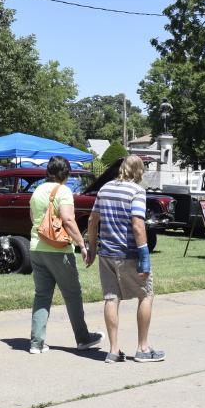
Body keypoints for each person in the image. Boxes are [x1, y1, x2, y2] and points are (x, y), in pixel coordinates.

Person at [85, 155, 163, 363]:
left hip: (106, 254)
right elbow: (138, 225)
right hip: (128, 254)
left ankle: (113, 350)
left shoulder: (105, 189)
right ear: (138, 171)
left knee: (111, 298)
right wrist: (144, 257)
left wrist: (92, 249)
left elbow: (93, 221)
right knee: (146, 295)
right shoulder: (137, 191)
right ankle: (143, 349)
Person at [27, 155, 103, 355]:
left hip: (36, 247)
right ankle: (83, 338)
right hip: (58, 249)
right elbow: (68, 220)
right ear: (65, 174)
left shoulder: (37, 191)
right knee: (72, 294)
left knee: (42, 295)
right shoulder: (64, 191)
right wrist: (82, 245)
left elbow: (33, 218)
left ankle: (36, 343)